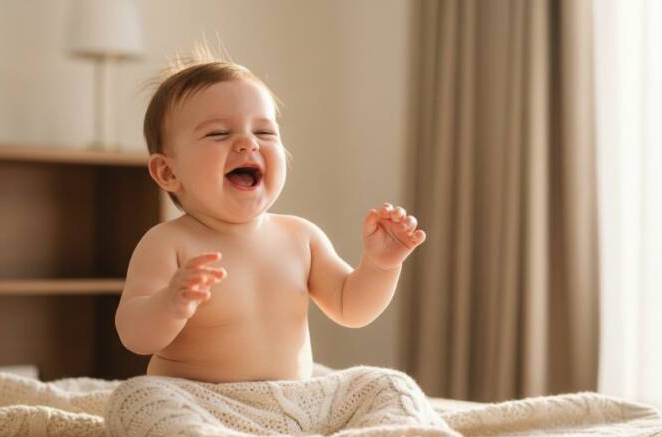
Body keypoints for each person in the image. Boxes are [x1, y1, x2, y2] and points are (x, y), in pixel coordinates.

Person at [114, 49, 427, 384]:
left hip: (286, 399)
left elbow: (351, 308)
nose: (248, 143)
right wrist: (169, 303)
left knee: (385, 385)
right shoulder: (169, 243)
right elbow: (135, 336)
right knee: (143, 404)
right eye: (219, 133)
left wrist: (381, 266)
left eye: (264, 133)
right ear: (167, 171)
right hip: (199, 400)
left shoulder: (300, 237)